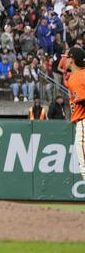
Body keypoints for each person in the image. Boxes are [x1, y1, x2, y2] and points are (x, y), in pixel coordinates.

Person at [59, 46, 85, 184]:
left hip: (84, 123)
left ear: (72, 60)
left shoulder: (76, 78)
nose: (65, 59)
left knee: (84, 166)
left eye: (67, 57)